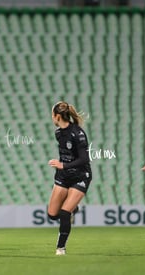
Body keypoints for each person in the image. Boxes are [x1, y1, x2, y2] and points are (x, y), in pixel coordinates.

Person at [47, 101, 92, 256]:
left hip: (80, 175)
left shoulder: (78, 133)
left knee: (65, 213)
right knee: (52, 215)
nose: (51, 117)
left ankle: (61, 248)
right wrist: (62, 167)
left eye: (52, 114)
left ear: (57, 116)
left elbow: (85, 159)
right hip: (64, 175)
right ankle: (74, 209)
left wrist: (62, 165)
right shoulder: (58, 133)